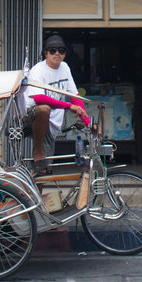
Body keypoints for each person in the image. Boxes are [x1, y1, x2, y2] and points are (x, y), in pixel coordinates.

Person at [22, 34, 90, 176]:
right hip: (31, 114)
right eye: (52, 50)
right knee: (43, 109)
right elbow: (39, 98)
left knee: (43, 171)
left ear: (65, 54)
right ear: (45, 53)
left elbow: (74, 96)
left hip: (51, 123)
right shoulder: (38, 70)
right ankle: (38, 150)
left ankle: (36, 197)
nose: (57, 53)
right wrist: (68, 106)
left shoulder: (65, 68)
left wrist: (88, 123)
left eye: (61, 50)